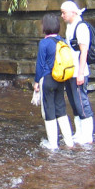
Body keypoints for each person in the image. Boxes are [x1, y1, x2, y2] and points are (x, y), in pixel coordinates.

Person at [33, 13, 75, 150]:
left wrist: (36, 82)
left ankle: (53, 144)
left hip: (48, 79)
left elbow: (40, 65)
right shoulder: (62, 41)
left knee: (48, 110)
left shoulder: (44, 43)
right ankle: (69, 142)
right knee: (61, 109)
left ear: (46, 27)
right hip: (60, 79)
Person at [60, 0, 95, 144]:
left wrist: (80, 74)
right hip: (70, 72)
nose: (62, 15)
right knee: (74, 103)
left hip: (78, 72)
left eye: (63, 12)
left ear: (73, 12)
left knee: (82, 102)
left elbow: (84, 52)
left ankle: (87, 135)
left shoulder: (81, 27)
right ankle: (78, 132)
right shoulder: (69, 27)